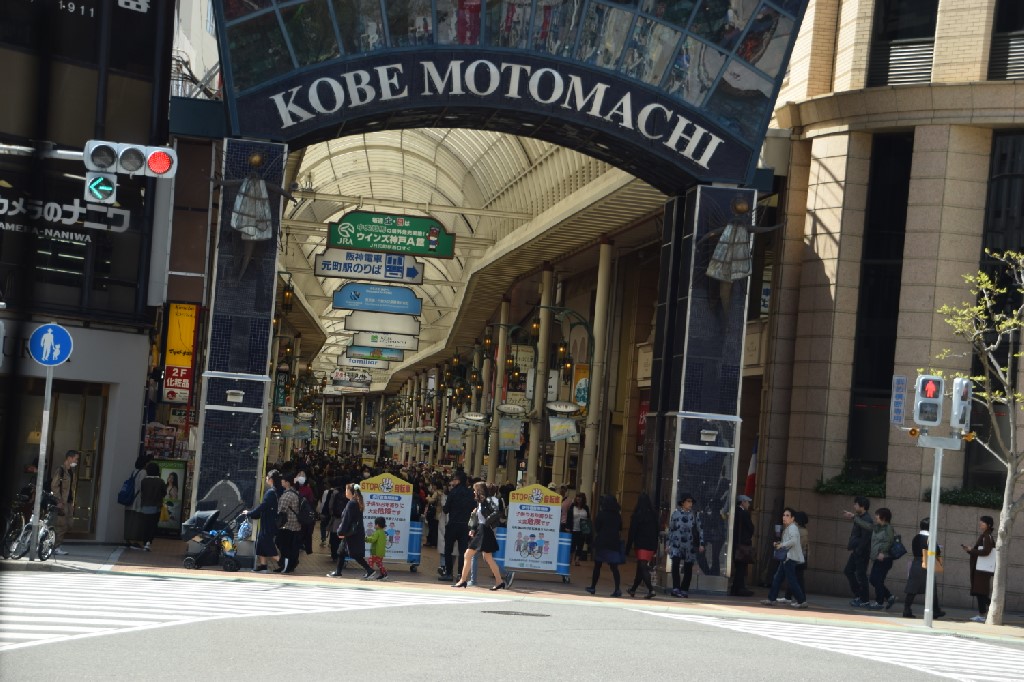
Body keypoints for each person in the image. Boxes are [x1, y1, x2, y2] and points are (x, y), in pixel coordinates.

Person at [452, 482, 507, 590]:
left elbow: (496, 512)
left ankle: (463, 580)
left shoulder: (487, 500)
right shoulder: (481, 502)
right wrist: (474, 528)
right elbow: (478, 517)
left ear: (479, 491)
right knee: (488, 557)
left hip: (483, 530)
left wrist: (486, 522)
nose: (473, 492)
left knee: (468, 554)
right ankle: (499, 581)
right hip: (483, 530)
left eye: (474, 490)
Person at [845, 506, 895, 610]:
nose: (876, 517)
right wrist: (854, 517)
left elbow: (889, 541)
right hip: (877, 558)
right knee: (873, 579)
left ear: (883, 517)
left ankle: (879, 602)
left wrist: (882, 552)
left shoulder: (888, 528)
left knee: (877, 580)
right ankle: (889, 596)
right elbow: (866, 525)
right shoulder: (877, 527)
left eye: (878, 515)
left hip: (885, 558)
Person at [760, 507, 808, 608]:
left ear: (792, 518)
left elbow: (793, 541)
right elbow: (790, 541)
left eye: (787, 515)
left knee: (790, 580)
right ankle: (772, 599)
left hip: (789, 558)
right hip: (787, 558)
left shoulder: (792, 528)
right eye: (784, 515)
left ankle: (801, 601)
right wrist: (780, 544)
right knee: (778, 578)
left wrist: (781, 545)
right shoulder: (789, 527)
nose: (784, 517)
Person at [903, 517, 945, 619]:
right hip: (926, 564)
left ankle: (907, 609)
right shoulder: (930, 538)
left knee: (912, 588)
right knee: (932, 588)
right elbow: (936, 551)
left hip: (916, 563)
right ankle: (935, 611)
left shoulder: (916, 537)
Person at [329, 483, 373, 578]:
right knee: (341, 552)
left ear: (350, 491)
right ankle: (338, 572)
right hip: (353, 532)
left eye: (346, 490)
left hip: (352, 534)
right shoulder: (356, 502)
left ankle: (370, 570)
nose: (345, 492)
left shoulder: (351, 503)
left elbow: (346, 520)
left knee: (355, 554)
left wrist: (340, 531)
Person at [439, 471, 474, 583]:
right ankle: (460, 575)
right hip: (465, 526)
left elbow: (446, 509)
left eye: (454, 479)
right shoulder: (470, 493)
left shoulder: (453, 492)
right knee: (463, 551)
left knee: (448, 549)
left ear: (458, 481)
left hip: (453, 524)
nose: (452, 481)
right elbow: (473, 508)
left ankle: (449, 573)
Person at [585, 494, 623, 597]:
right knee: (614, 568)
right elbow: (620, 528)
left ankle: (593, 587)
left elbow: (597, 527)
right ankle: (617, 589)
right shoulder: (617, 515)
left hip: (602, 542)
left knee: (597, 565)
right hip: (614, 542)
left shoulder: (601, 514)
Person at [667, 492, 704, 598]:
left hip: (689, 545)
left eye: (691, 502)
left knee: (688, 567)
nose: (690, 504)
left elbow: (700, 529)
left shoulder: (694, 515)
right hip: (676, 543)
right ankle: (676, 588)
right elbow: (671, 529)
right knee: (675, 565)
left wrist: (701, 543)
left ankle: (684, 589)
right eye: (688, 501)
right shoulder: (675, 514)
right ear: (682, 503)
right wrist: (667, 544)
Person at [245, 470, 281, 572]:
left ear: (271, 479)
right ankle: (263, 564)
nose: (266, 479)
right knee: (260, 543)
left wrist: (250, 513)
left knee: (266, 543)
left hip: (268, 522)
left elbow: (263, 506)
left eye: (267, 477)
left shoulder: (270, 492)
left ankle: (281, 562)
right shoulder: (276, 491)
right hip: (269, 521)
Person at [962, 515, 996, 623]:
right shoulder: (986, 536)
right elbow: (981, 552)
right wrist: (970, 550)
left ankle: (984, 614)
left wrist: (972, 550)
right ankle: (990, 609)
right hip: (981, 568)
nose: (980, 524)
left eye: (983, 522)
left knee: (980, 592)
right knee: (980, 592)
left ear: (988, 525)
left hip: (982, 569)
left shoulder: (987, 536)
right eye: (980, 522)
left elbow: (986, 551)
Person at [625, 492, 659, 599]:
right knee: (640, 567)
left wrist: (627, 548)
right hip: (651, 544)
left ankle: (651, 589)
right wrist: (655, 547)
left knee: (643, 567)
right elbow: (657, 531)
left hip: (641, 544)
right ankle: (633, 589)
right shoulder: (654, 515)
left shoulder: (637, 515)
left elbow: (632, 532)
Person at [843, 495, 872, 607]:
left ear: (862, 506)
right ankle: (860, 596)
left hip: (861, 552)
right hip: (857, 551)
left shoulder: (866, 519)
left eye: (856, 504)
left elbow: (865, 538)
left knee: (861, 575)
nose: (854, 506)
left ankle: (864, 599)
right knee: (849, 571)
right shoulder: (861, 517)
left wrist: (859, 550)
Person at [51, 450, 79, 555]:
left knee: (69, 524)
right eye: (76, 459)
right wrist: (59, 500)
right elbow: (54, 486)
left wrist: (72, 503)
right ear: (70, 458)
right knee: (61, 525)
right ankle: (55, 547)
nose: (77, 461)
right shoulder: (61, 470)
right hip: (62, 502)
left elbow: (72, 489)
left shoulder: (72, 472)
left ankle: (54, 544)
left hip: (69, 503)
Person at [275, 473, 302, 573]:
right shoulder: (296, 493)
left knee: (283, 545)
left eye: (283, 480)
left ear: (287, 482)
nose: (281, 481)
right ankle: (291, 565)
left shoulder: (287, 495)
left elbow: (281, 510)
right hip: (296, 525)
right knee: (292, 546)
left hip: (286, 525)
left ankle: (285, 566)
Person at [729, 494, 754, 596]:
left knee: (739, 567)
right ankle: (739, 588)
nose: (748, 504)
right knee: (741, 568)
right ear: (743, 502)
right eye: (747, 502)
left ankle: (736, 588)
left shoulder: (735, 512)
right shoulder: (744, 513)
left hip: (735, 543)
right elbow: (750, 528)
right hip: (742, 544)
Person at [138, 462, 167, 551]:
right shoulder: (160, 481)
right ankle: (148, 542)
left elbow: (142, 492)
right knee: (152, 525)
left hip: (144, 506)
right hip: (156, 506)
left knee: (145, 525)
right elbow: (164, 493)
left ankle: (145, 541)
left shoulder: (144, 481)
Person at [782, 511, 809, 604]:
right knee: (794, 577)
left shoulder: (799, 531)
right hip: (800, 556)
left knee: (797, 578)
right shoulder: (802, 530)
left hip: (797, 557)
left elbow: (798, 544)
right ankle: (788, 596)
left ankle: (801, 599)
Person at [294, 469, 315, 555]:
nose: (301, 477)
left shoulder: (307, 489)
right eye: (300, 475)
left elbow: (311, 501)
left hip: (301, 514)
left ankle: (300, 543)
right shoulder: (295, 488)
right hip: (297, 513)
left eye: (303, 476)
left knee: (301, 529)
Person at [365, 516, 390, 580]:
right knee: (379, 563)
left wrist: (366, 539)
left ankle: (370, 573)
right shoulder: (383, 533)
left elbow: (373, 539)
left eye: (375, 524)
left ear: (377, 525)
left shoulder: (377, 532)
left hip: (375, 552)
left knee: (370, 561)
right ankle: (384, 574)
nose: (374, 526)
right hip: (381, 552)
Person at [318, 478, 339, 549]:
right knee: (332, 527)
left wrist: (321, 512)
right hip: (335, 513)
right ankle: (330, 542)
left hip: (326, 512)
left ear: (329, 484)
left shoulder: (326, 492)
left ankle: (323, 539)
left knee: (323, 525)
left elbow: (324, 502)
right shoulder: (338, 491)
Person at [571, 493, 591, 565]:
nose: (578, 498)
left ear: (583, 499)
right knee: (572, 544)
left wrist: (588, 528)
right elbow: (569, 517)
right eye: (577, 497)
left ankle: (577, 560)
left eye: (580, 497)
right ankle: (570, 558)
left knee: (580, 545)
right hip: (573, 528)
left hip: (582, 529)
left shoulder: (586, 507)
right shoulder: (572, 506)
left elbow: (588, 518)